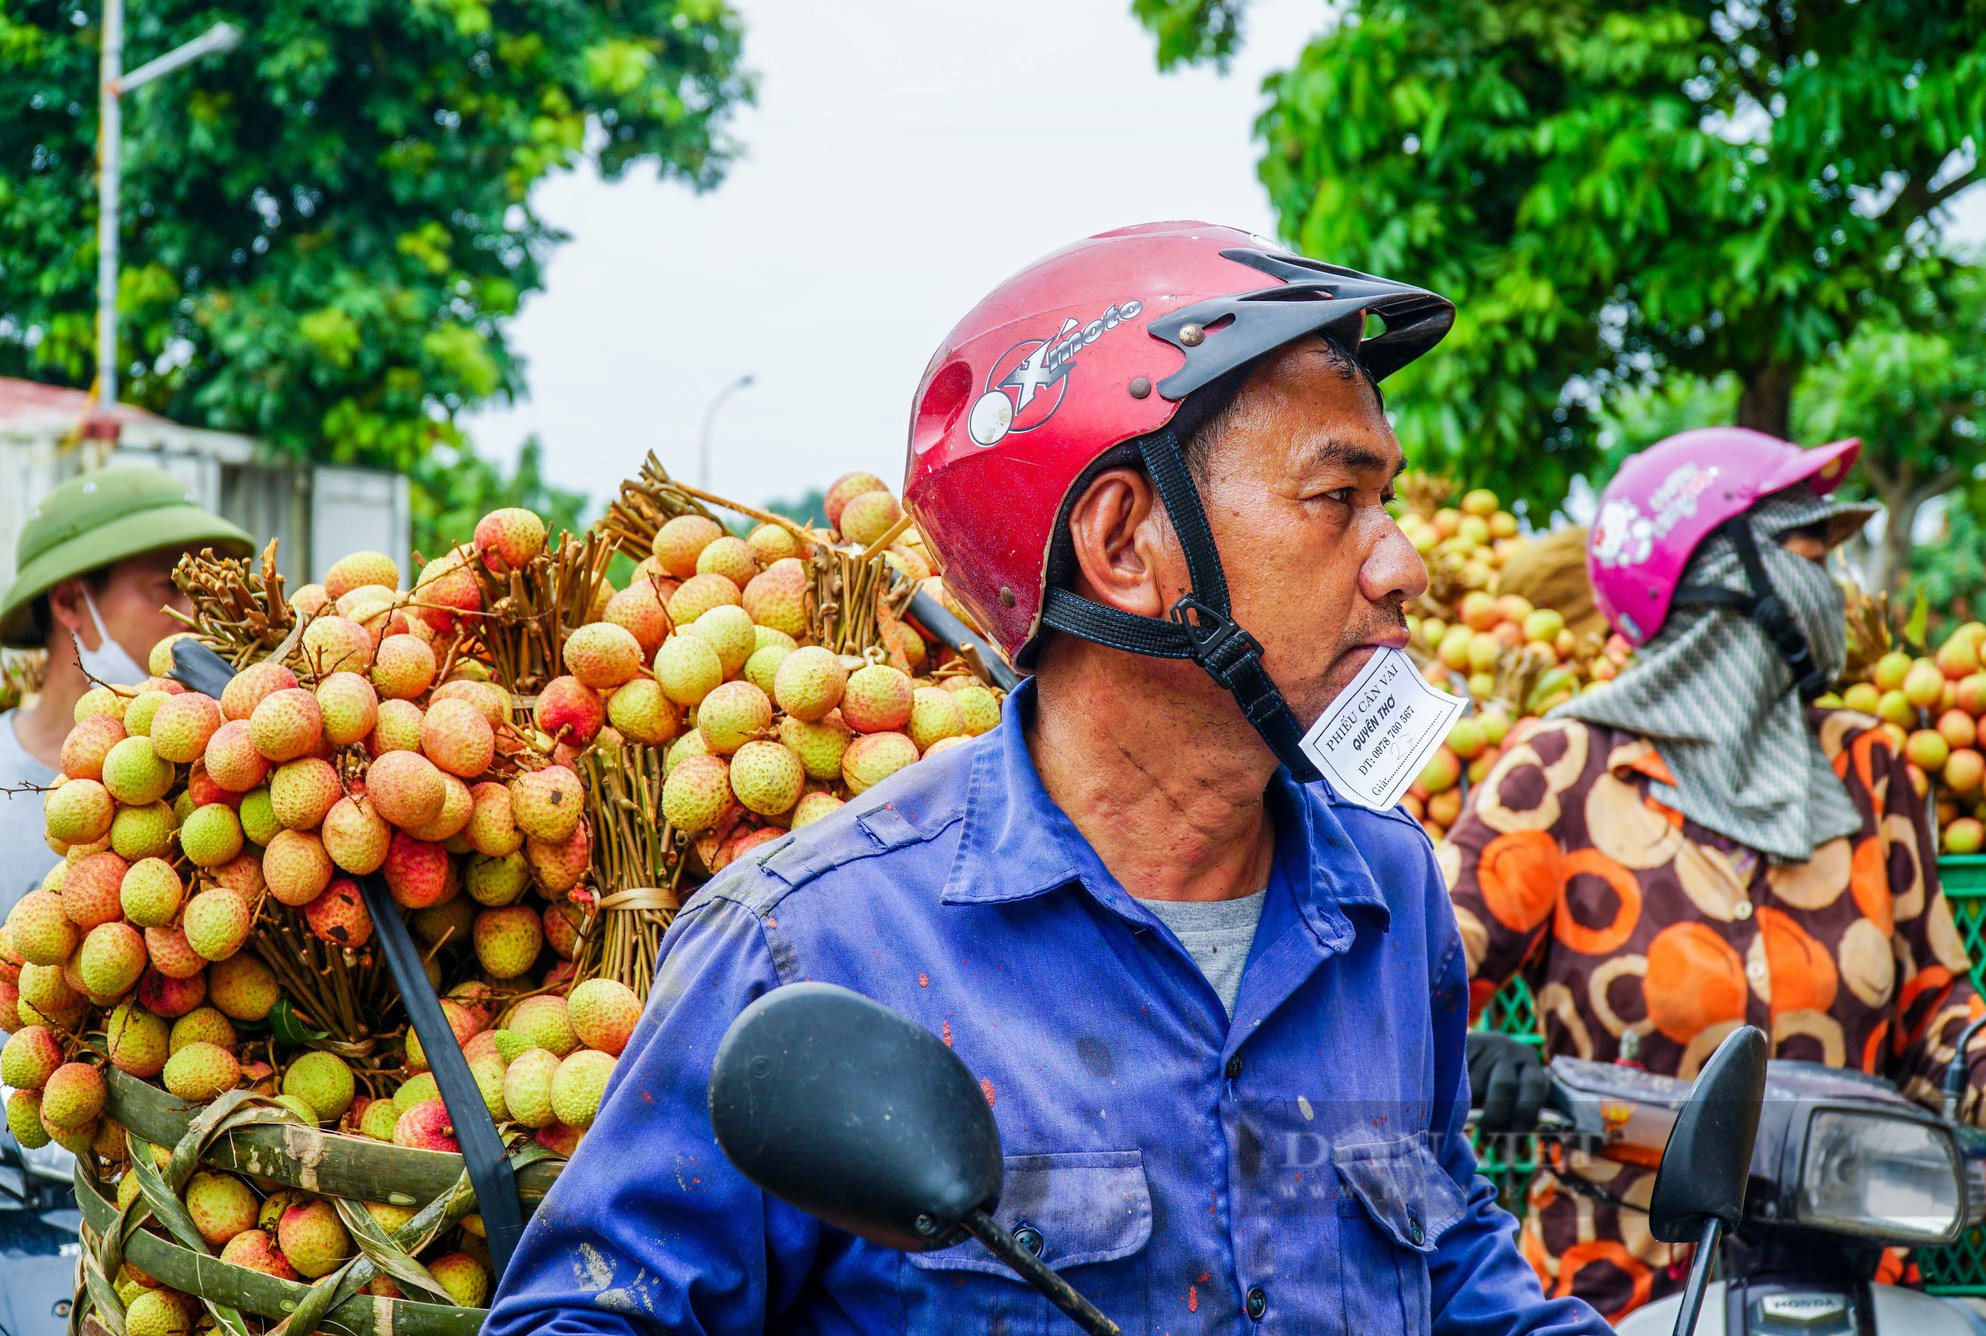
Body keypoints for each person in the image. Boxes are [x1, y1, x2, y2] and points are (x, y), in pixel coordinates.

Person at [484, 223, 1607, 1335]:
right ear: (1123, 546)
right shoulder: (810, 946)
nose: (1403, 564)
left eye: (1388, 502)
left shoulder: (1388, 892)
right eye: (1336, 501)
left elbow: (1453, 1266)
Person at [1446, 428, 1986, 1322]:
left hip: (1855, 1280)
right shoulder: (1561, 771)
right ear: (1720, 572)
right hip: (1615, 1295)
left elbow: (1942, 1013)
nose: (1838, 591)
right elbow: (1412, 986)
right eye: (1812, 556)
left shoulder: (1871, 769)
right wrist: (1470, 1052)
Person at [0, 464, 250, 915]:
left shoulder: (226, 772)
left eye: (199, 594)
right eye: (168, 588)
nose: (196, 620)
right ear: (70, 602)